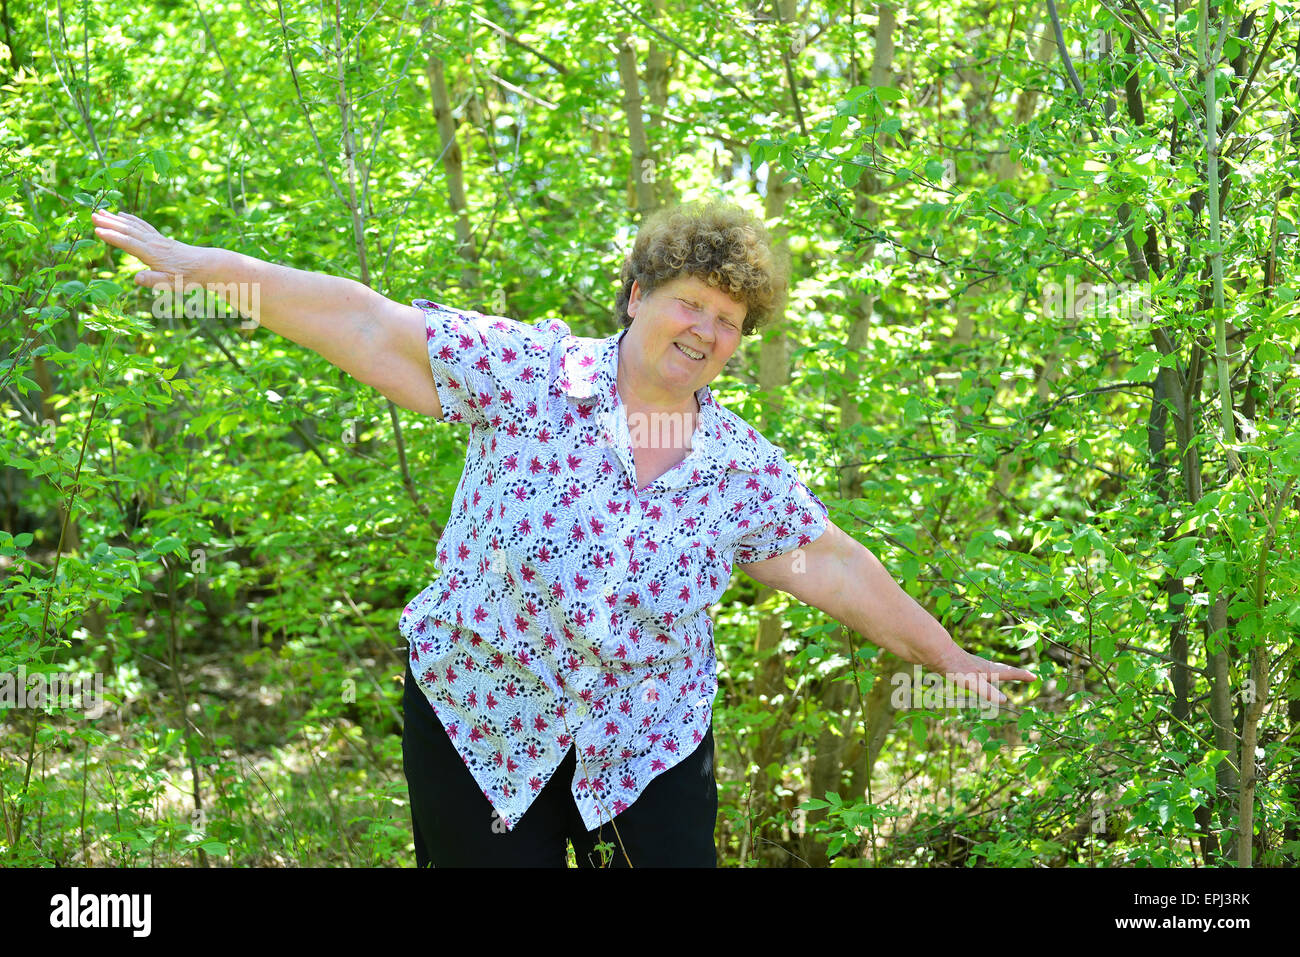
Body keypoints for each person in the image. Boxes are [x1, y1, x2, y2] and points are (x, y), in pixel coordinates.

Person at [92, 201, 1036, 868]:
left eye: (729, 319)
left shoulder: (743, 469)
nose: (704, 330)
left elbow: (829, 562)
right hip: (481, 710)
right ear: (635, 294)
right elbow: (369, 325)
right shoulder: (526, 374)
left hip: (644, 738)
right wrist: (202, 268)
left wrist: (947, 656)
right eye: (689, 302)